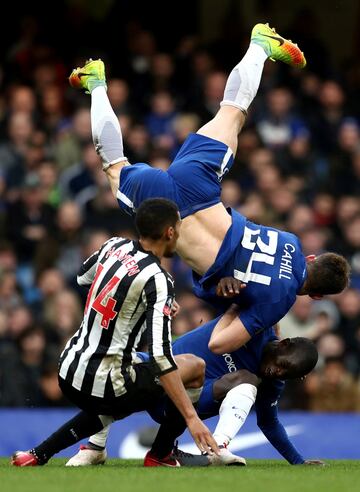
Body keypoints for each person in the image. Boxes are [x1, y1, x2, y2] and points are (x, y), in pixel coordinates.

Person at [69, 23, 350, 353]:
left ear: (311, 256)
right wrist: (245, 312)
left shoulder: (291, 241)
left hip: (200, 188)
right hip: (170, 218)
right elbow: (218, 344)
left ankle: (259, 47)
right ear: (316, 296)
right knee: (114, 164)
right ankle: (96, 83)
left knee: (232, 112)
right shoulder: (279, 300)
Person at [11, 198, 218, 467]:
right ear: (170, 232)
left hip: (69, 369)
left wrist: (141, 302)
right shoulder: (158, 279)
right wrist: (192, 418)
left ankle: (39, 454)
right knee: (194, 366)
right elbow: (160, 356)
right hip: (106, 383)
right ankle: (161, 454)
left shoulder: (113, 245)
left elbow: (83, 278)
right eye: (178, 227)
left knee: (119, 393)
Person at [66, 304, 323, 467]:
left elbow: (269, 423)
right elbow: (236, 296)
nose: (278, 372)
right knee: (119, 363)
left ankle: (217, 448)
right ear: (284, 343)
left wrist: (297, 462)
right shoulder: (251, 328)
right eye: (283, 365)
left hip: (182, 406)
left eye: (287, 375)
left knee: (247, 382)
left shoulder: (271, 382)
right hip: (161, 374)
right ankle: (95, 448)